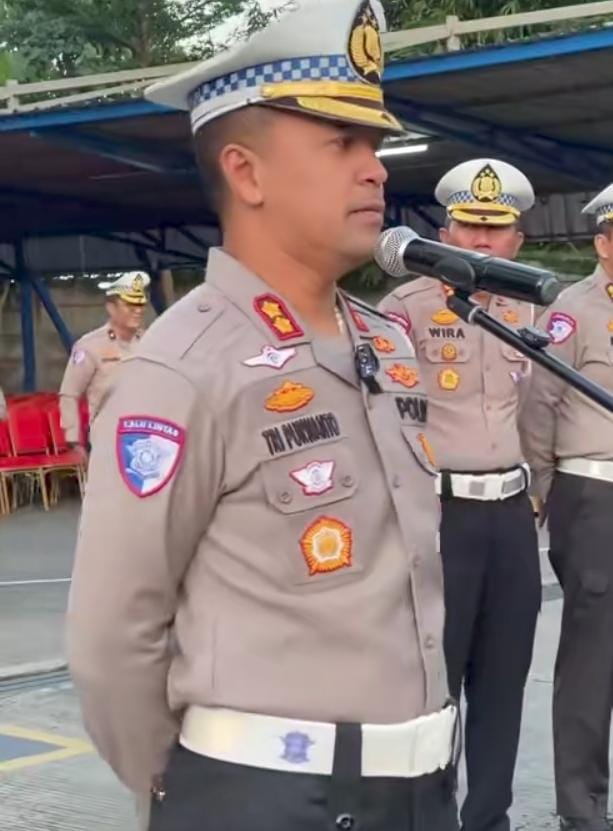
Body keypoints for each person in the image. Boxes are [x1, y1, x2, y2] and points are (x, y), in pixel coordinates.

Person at [66, 3, 459, 831]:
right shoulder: (184, 367)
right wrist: (193, 798)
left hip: (419, 789)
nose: (374, 169)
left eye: (373, 144)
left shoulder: (385, 342)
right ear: (246, 174)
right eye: (340, 144)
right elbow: (112, 636)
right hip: (268, 797)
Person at [380, 159, 542, 831]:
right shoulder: (404, 309)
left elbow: (541, 413)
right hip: (439, 516)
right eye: (468, 226)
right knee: (435, 686)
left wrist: (541, 495)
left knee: (503, 683)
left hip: (511, 516)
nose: (480, 241)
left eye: (494, 229)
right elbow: (384, 419)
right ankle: (431, 817)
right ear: (443, 231)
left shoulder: (532, 311)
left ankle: (488, 818)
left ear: (516, 241)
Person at [519, 184, 613, 831]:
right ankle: (582, 809)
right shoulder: (572, 312)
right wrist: (544, 490)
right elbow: (539, 406)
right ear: (603, 243)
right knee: (591, 658)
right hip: (595, 498)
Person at [58, 271, 150, 452]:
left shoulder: (151, 342)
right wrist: (73, 440)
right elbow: (69, 394)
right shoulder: (90, 346)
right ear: (111, 308)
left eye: (140, 304)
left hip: (149, 437)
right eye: (129, 304)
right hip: (109, 439)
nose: (137, 310)